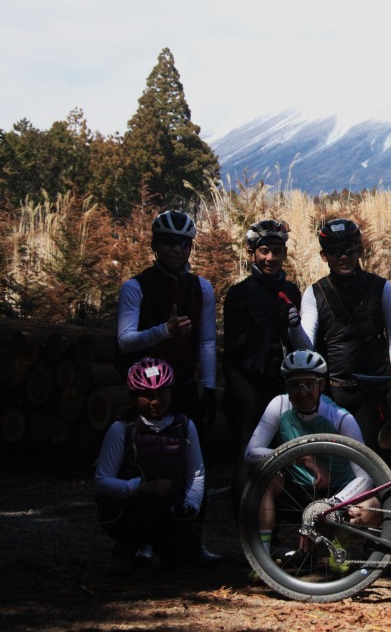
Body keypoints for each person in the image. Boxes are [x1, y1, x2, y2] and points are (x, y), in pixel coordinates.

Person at [243, 350, 381, 560]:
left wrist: (330, 505)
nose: (302, 392)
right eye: (294, 385)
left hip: (337, 493)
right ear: (286, 387)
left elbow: (366, 476)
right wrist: (297, 455)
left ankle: (340, 544)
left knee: (371, 507)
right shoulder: (279, 405)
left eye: (309, 384)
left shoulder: (341, 418)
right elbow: (251, 453)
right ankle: (262, 558)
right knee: (264, 477)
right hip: (297, 491)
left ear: (321, 385)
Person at [300, 218, 391, 457]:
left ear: (359, 250)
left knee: (372, 456)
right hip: (333, 392)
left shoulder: (381, 288)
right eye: (335, 251)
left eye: (349, 249)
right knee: (335, 460)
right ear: (324, 256)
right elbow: (307, 346)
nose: (343, 257)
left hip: (373, 391)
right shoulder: (314, 293)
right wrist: (292, 328)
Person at [223, 219, 311, 505]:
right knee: (248, 449)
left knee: (285, 445)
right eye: (264, 251)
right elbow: (230, 348)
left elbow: (298, 343)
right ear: (252, 253)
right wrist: (254, 333)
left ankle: (277, 513)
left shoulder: (291, 290)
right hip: (246, 381)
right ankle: (242, 516)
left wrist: (292, 326)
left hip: (281, 379)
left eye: (277, 251)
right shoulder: (239, 293)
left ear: (285, 253)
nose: (270, 258)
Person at [96, 357, 215, 567]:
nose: (156, 401)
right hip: (131, 510)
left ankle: (187, 543)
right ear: (135, 397)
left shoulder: (185, 426)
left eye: (162, 394)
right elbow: (102, 480)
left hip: (172, 509)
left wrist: (191, 505)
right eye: (148, 395)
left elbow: (196, 473)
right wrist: (141, 486)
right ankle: (134, 545)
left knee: (186, 560)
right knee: (150, 504)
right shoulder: (122, 429)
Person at [116, 210, 217, 439]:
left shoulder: (202, 288)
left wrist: (209, 388)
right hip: (145, 387)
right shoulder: (134, 287)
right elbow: (125, 342)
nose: (176, 249)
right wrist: (164, 331)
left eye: (183, 243)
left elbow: (207, 341)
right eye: (169, 242)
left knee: (189, 446)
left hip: (184, 382)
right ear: (155, 244)